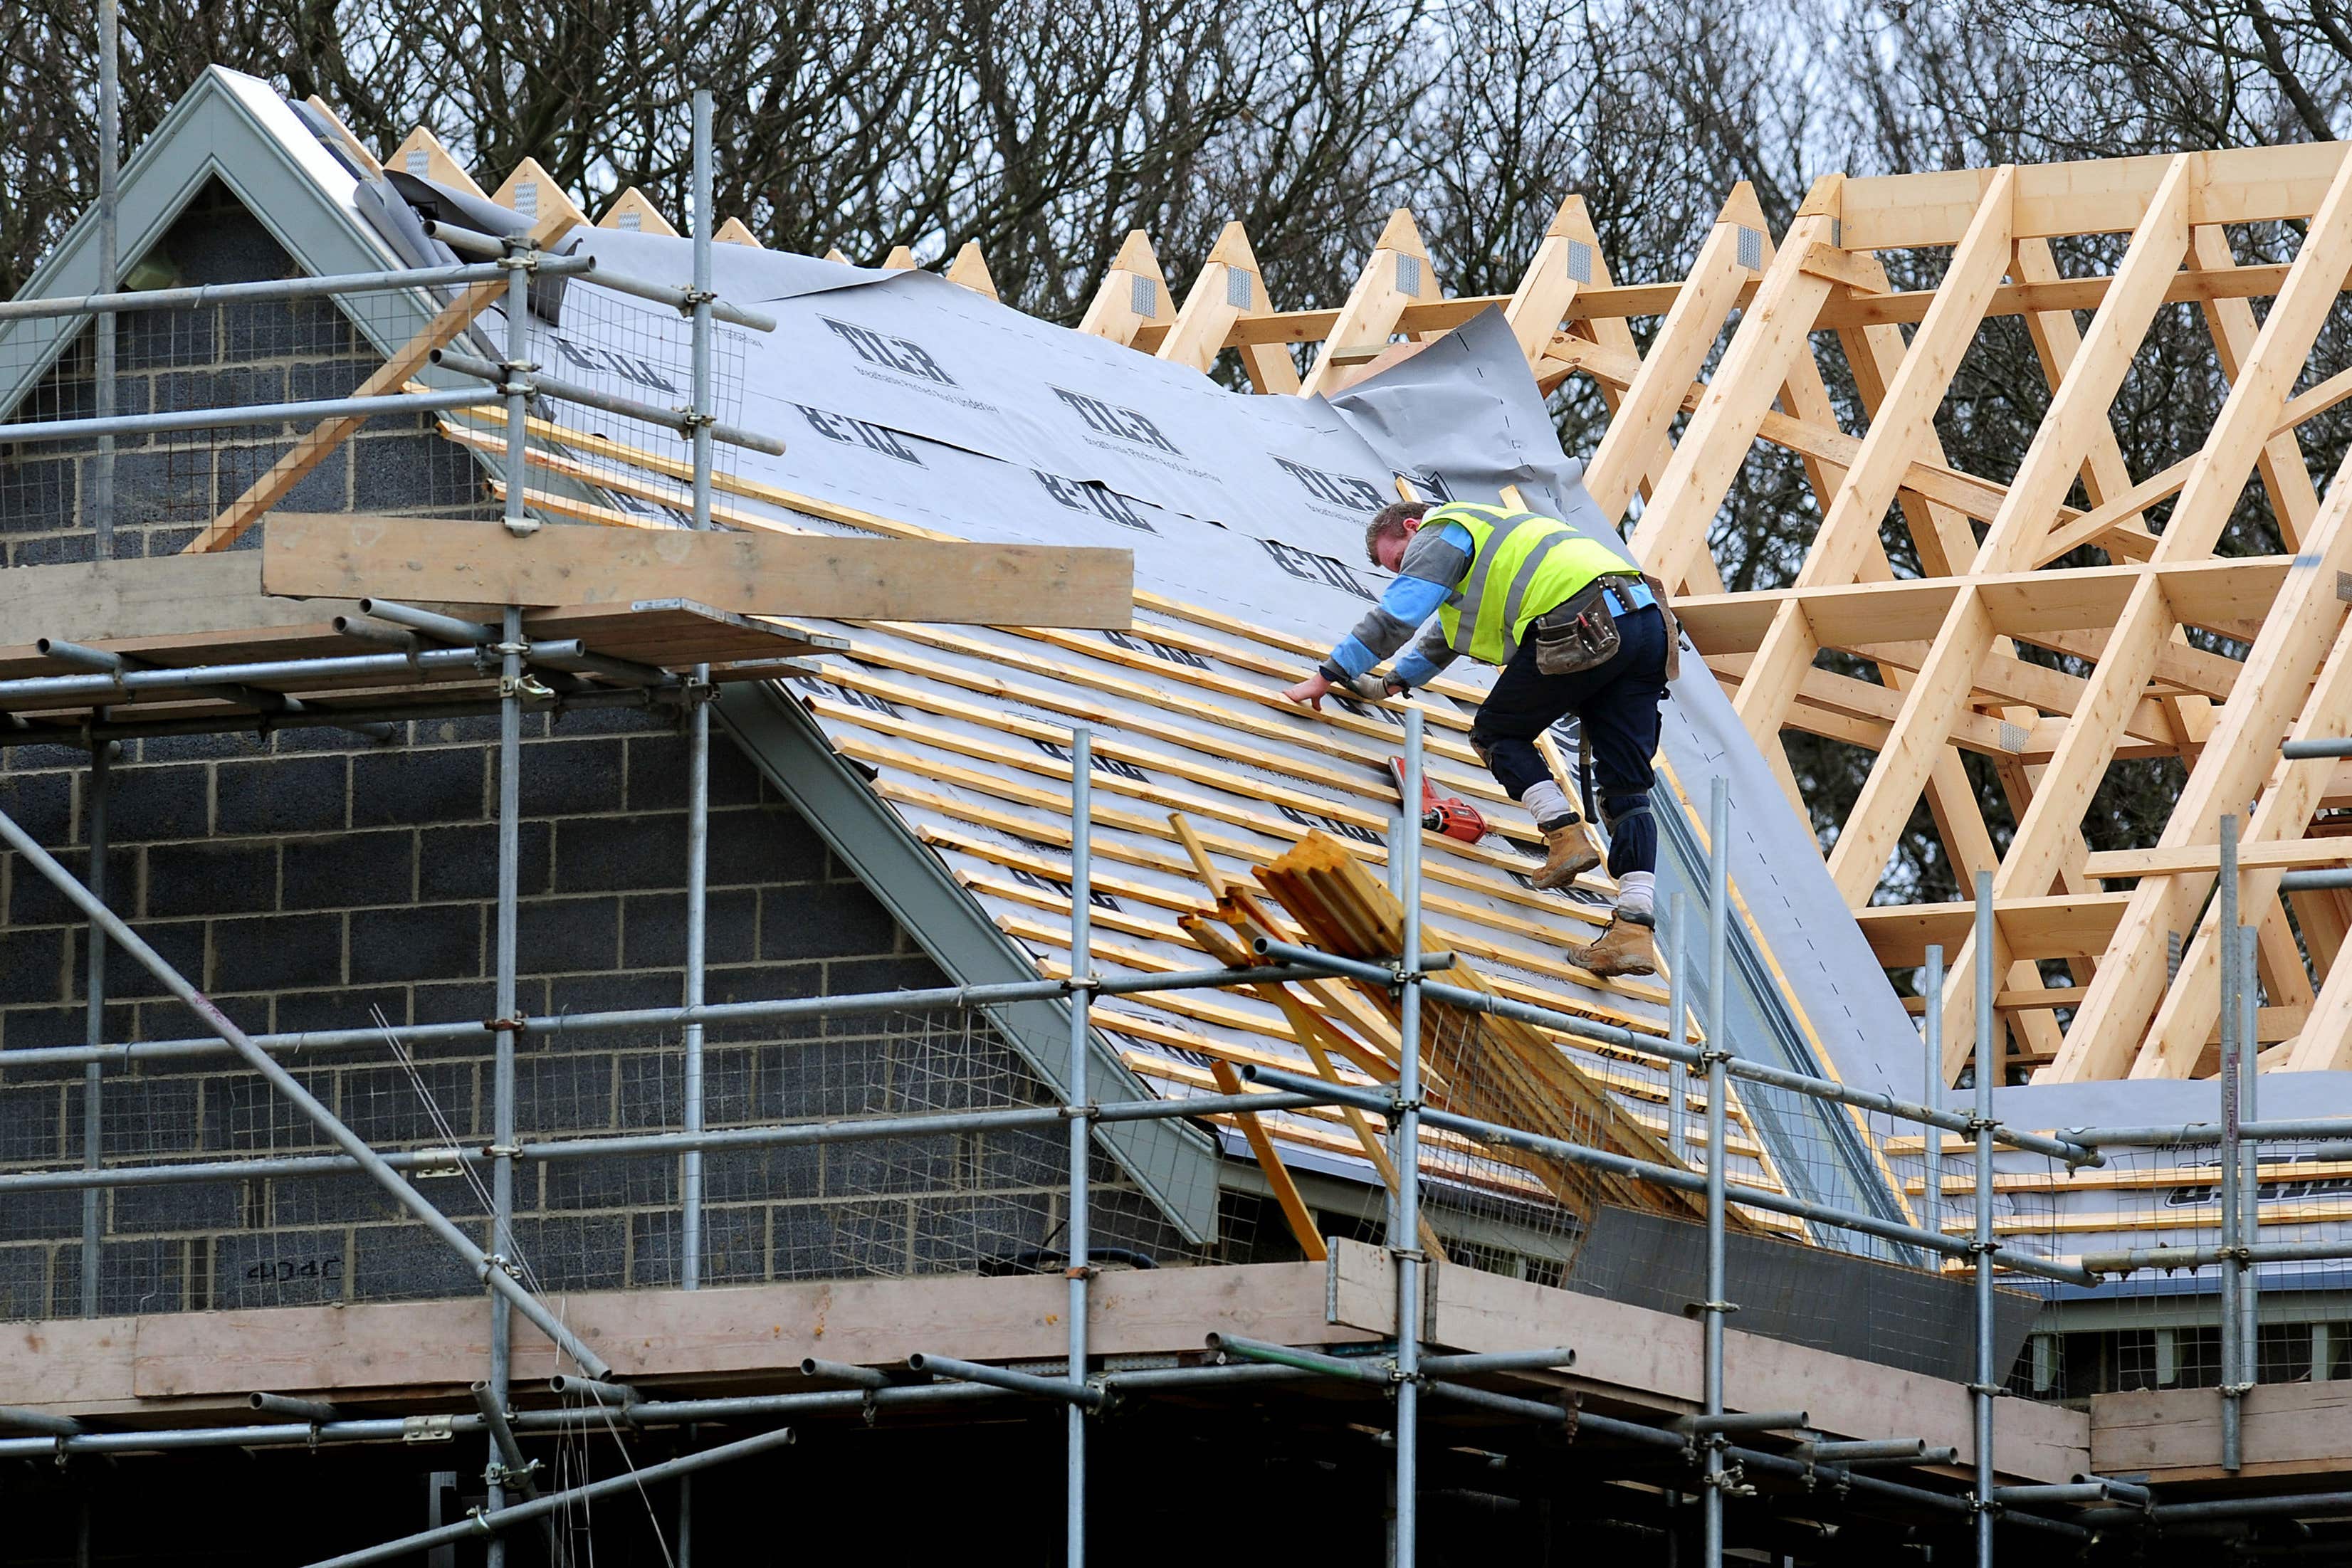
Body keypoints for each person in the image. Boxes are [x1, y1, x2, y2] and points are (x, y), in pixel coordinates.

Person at [1279, 498, 1676, 977]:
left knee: (1496, 732)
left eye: (1401, 561)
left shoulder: (1444, 530)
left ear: (1412, 527)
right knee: (1628, 792)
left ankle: (1565, 836)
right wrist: (1389, 684)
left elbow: (1397, 617)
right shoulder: (1492, 544)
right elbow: (1446, 637)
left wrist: (1328, 674)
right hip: (1646, 621)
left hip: (1582, 616)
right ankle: (1634, 928)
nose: (1407, 573)